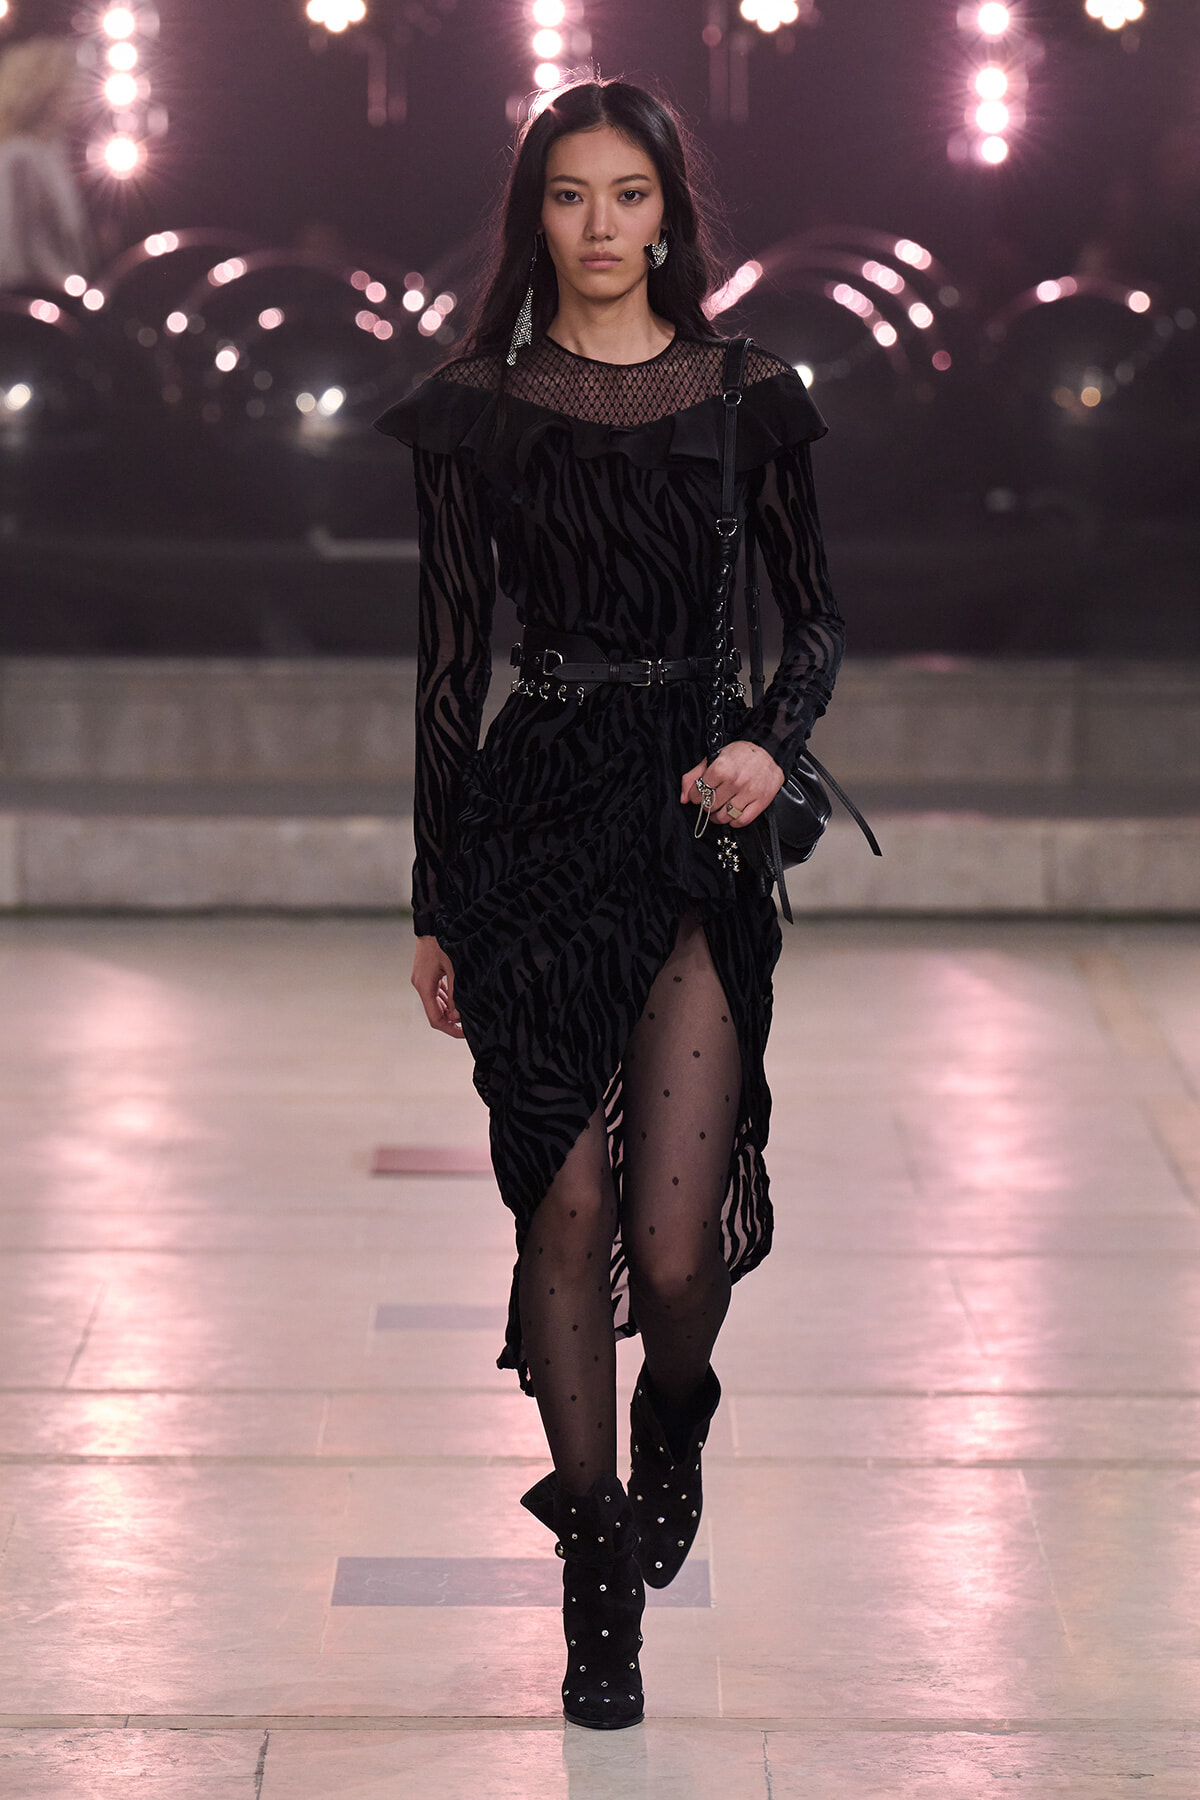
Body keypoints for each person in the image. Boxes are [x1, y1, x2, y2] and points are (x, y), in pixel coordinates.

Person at [374, 77, 844, 1730]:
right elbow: (445, 672)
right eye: (567, 197)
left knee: (669, 1234)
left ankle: (684, 1401)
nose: (596, 227)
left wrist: (765, 749)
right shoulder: (476, 405)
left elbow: (816, 628)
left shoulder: (746, 397)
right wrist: (436, 900)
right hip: (533, 824)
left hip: (690, 830)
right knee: (560, 1210)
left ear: (668, 212)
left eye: (626, 195)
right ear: (536, 218)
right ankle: (595, 1586)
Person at [0, 36, 92, 294]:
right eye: (70, 87)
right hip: (36, 308)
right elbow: (19, 257)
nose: (79, 98)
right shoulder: (19, 158)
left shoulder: (49, 155)